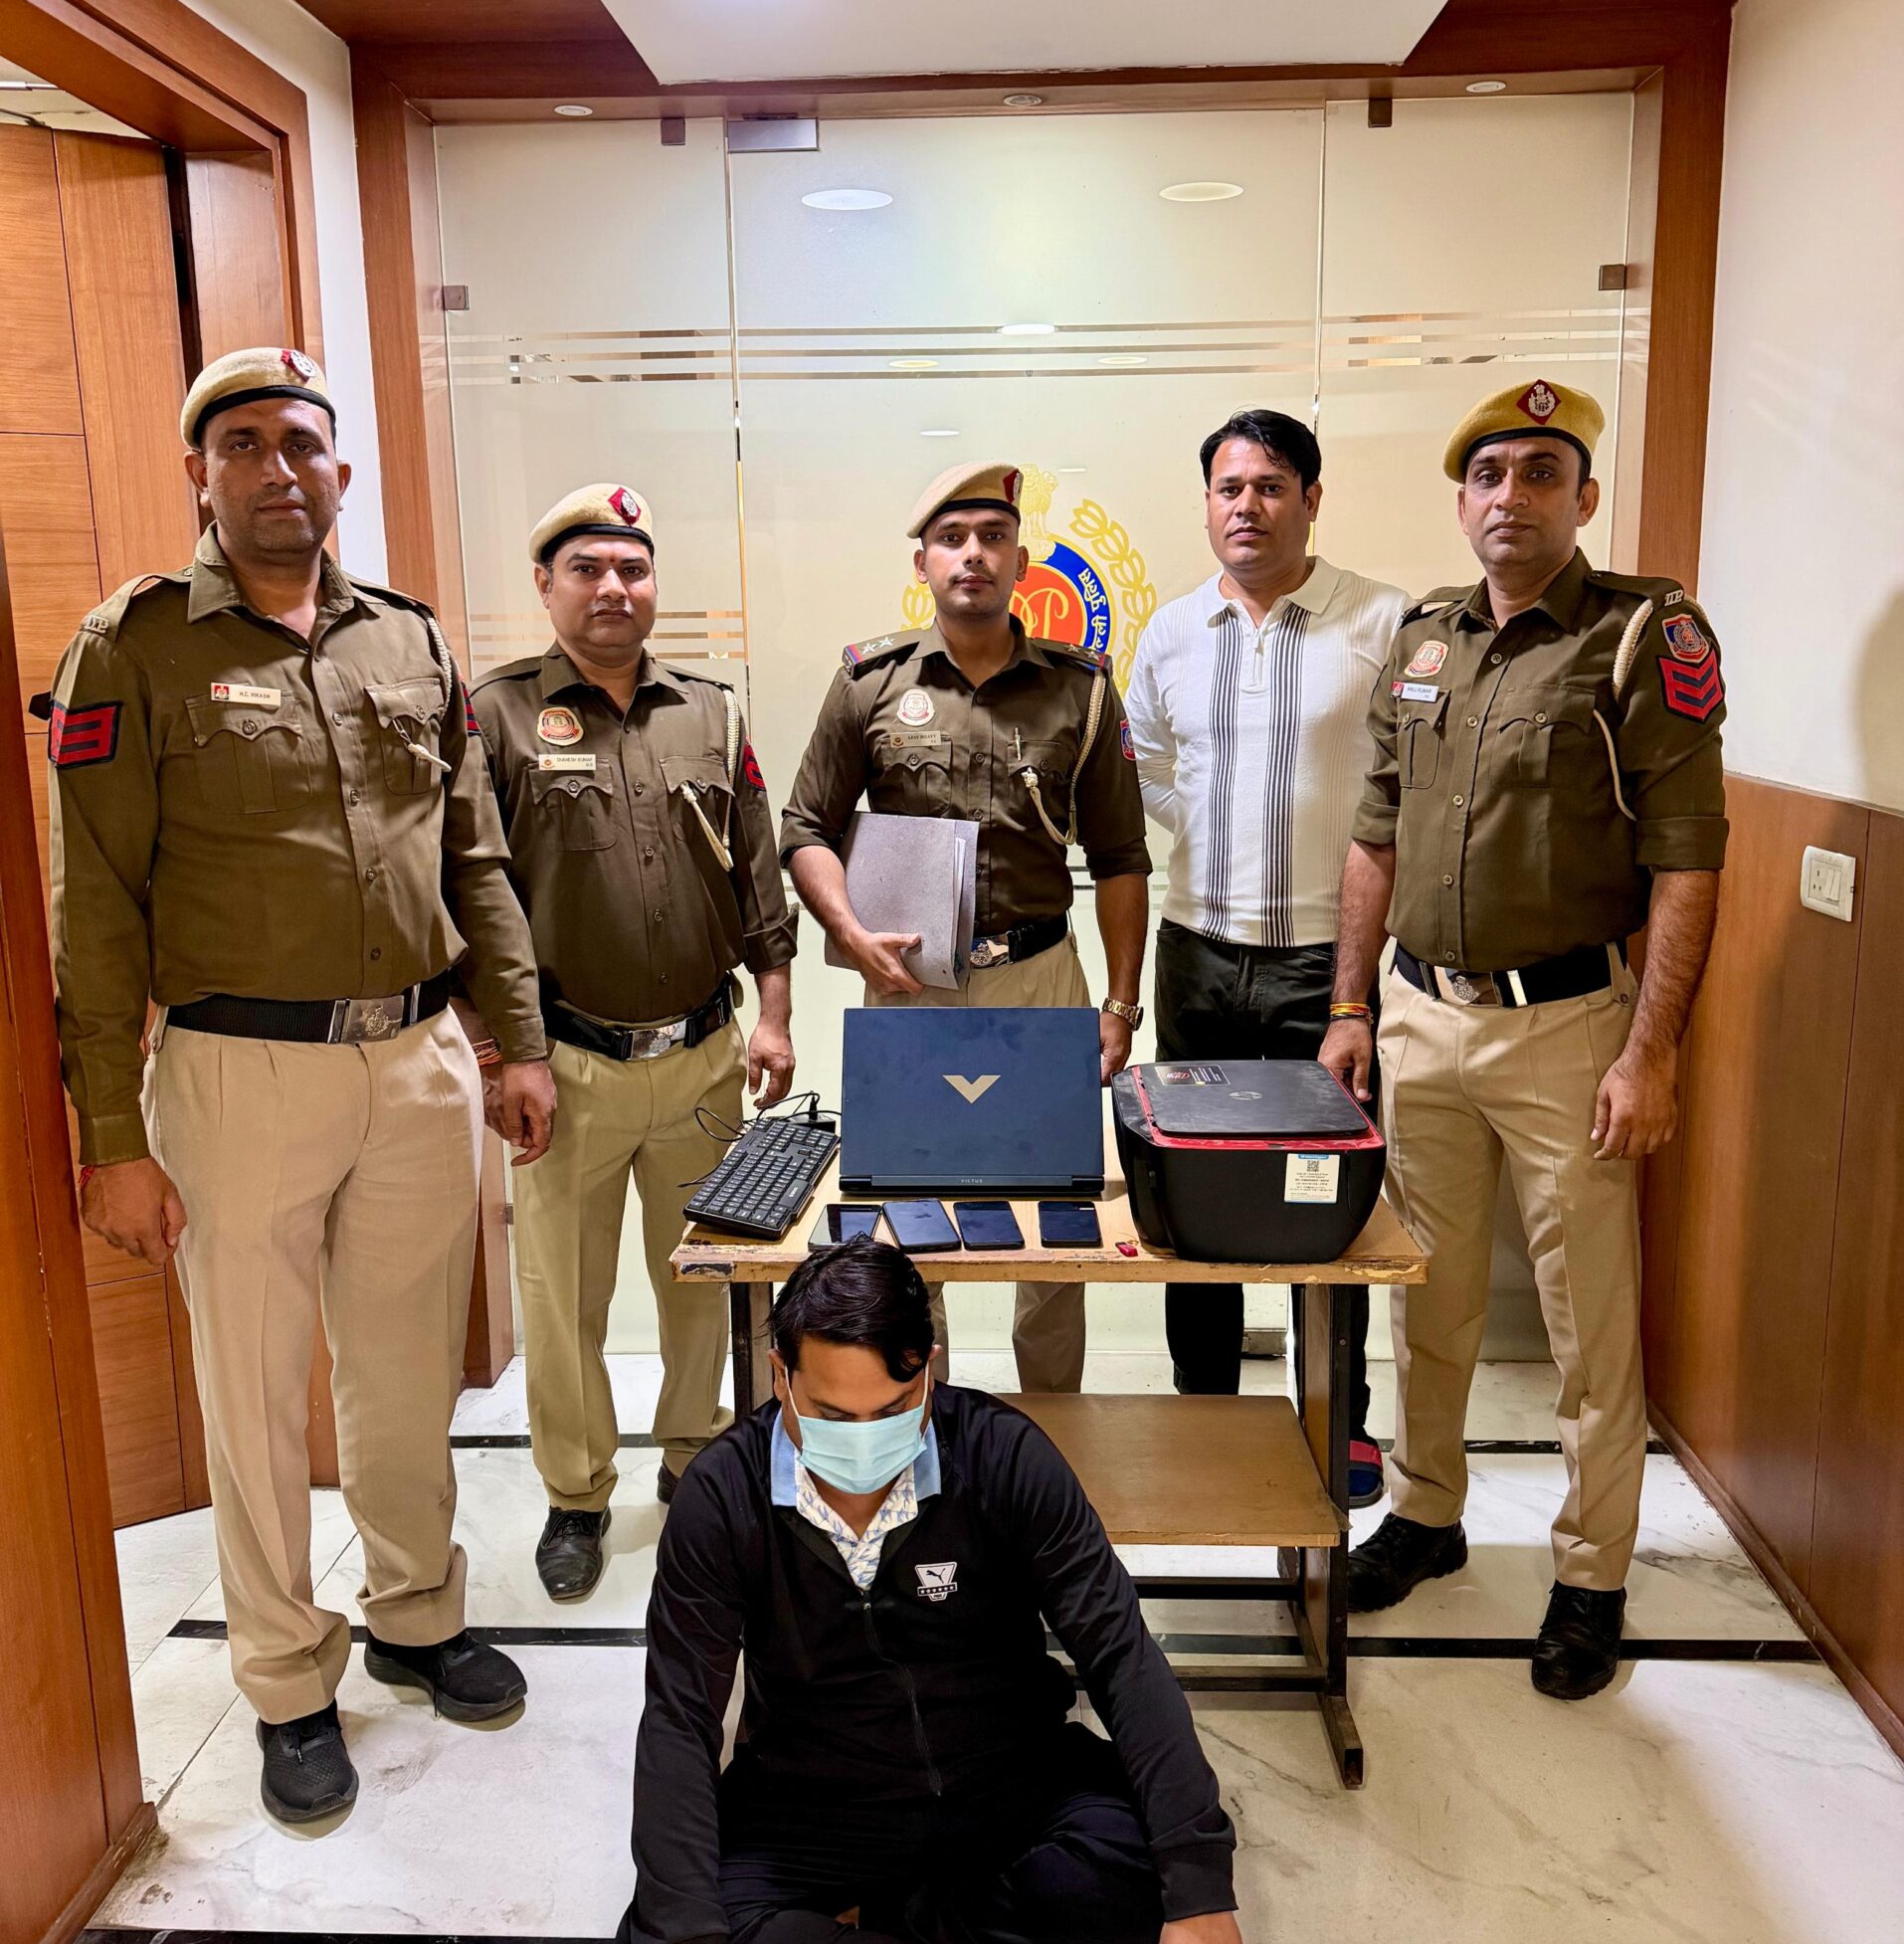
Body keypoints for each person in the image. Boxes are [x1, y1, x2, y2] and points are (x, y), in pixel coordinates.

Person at [46, 347, 555, 1824]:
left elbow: (474, 857)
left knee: (404, 1367)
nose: (280, 470)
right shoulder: (132, 646)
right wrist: (110, 1135)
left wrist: (514, 1040)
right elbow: (95, 907)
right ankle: (283, 1676)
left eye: (303, 444)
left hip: (417, 1059)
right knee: (255, 1388)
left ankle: (416, 1613)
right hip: (239, 1068)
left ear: (342, 471)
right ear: (200, 475)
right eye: (245, 445)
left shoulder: (407, 640)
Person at [616, 1236, 1245, 1944]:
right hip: (813, 1803)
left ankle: (882, 1928)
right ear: (780, 1376)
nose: (863, 1439)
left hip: (1007, 1781)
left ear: (930, 1369)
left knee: (1153, 1875)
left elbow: (1121, 1656)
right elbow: (679, 1722)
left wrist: (1199, 1887)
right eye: (831, 1412)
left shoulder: (1003, 1455)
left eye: (893, 1408)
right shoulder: (722, 1498)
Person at [1321, 378, 1728, 1699]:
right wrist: (1350, 1006)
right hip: (1420, 1018)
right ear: (1463, 502)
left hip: (1567, 1029)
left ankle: (1592, 1573)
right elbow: (1375, 834)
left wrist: (1650, 1051)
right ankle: (1426, 1513)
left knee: (1585, 1321)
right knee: (1425, 1293)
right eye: (1489, 475)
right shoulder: (1425, 640)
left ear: (1584, 498)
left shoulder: (1639, 634)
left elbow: (1687, 855)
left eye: (1542, 473)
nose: (1512, 497)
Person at [471, 484, 798, 1596]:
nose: (614, 588)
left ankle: (694, 1457)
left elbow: (756, 870)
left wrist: (775, 1013)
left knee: (704, 1277)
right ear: (545, 584)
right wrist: (502, 1053)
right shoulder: (496, 716)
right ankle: (576, 1491)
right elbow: (475, 896)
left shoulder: (712, 712)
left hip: (704, 1056)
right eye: (588, 569)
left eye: (633, 568)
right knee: (562, 1294)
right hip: (564, 1066)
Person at [780, 462, 1150, 1394]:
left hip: (1041, 980)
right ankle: (921, 1418)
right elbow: (806, 829)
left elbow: (1122, 859)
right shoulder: (868, 682)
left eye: (992, 537)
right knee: (907, 1219)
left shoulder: (1081, 689)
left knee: (1058, 1220)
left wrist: (1120, 1003)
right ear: (923, 563)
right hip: (912, 987)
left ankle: (1049, 1424)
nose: (973, 555)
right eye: (952, 539)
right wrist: (851, 932)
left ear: (1022, 560)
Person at [1125, 409, 1406, 1501]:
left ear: (1311, 500)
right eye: (1229, 488)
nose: (1247, 506)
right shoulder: (1171, 631)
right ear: (1207, 504)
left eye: (1271, 486)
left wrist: (1353, 990)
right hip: (1196, 954)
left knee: (1324, 1200)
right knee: (1189, 1194)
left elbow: (1404, 790)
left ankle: (1343, 1421)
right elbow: (1148, 764)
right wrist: (1205, 827)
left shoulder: (1380, 620)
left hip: (1325, 966)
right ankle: (1205, 1414)